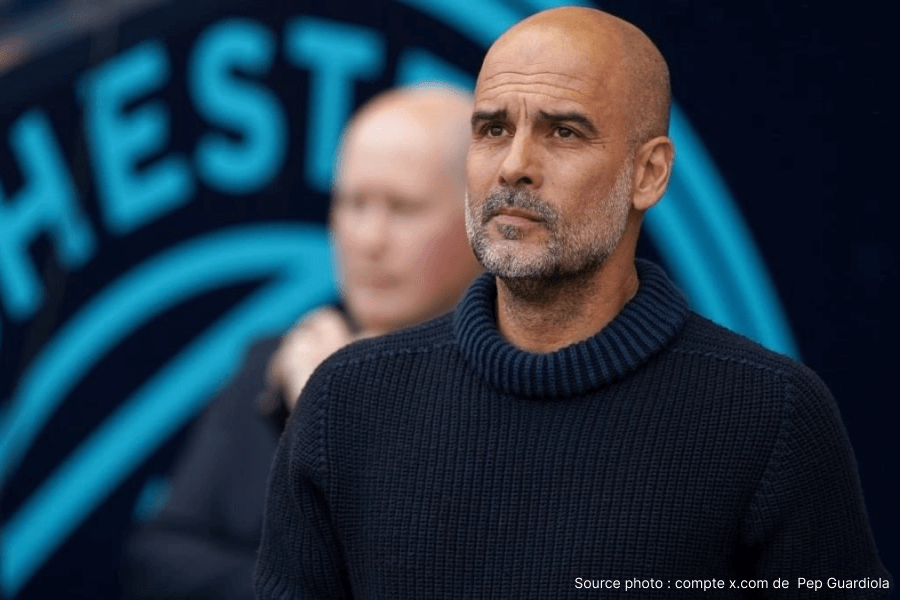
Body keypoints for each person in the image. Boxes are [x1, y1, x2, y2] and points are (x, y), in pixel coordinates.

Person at [254, 7, 892, 599]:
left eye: (563, 131)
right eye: (493, 128)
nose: (514, 165)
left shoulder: (770, 419)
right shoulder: (347, 402)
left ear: (649, 174)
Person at [121, 85, 481, 600]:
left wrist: (332, 407)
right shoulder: (275, 363)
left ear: (481, 221)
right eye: (352, 203)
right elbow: (157, 559)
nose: (369, 239)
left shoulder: (517, 387)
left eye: (404, 208)